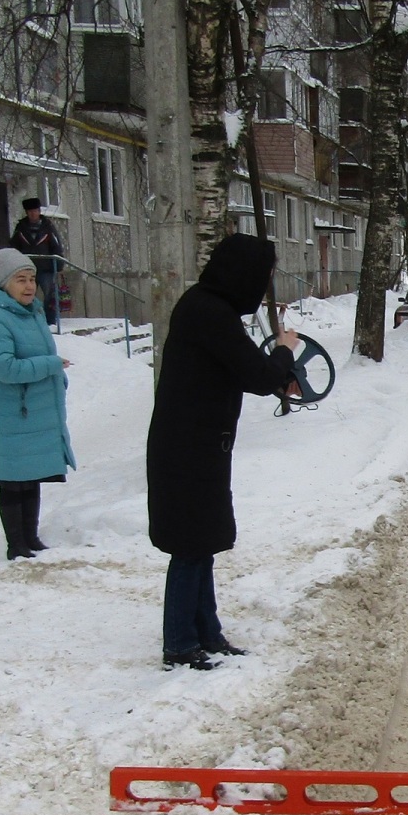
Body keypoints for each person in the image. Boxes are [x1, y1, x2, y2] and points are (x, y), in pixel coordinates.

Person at [146, 234, 299, 671]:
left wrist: (275, 372)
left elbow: (240, 370)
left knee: (202, 542)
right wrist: (285, 352)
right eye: (264, 276)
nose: (264, 285)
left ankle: (206, 633)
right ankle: (179, 644)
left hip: (199, 445)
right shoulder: (209, 312)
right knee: (190, 546)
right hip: (187, 449)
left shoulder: (210, 307)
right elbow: (254, 372)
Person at [0, 246, 75, 561]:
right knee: (13, 479)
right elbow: (4, 368)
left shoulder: (31, 311)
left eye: (32, 278)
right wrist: (51, 365)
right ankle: (15, 544)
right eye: (21, 279)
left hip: (32, 408)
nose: (30, 286)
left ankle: (30, 538)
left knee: (31, 474)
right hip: (12, 411)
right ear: (4, 282)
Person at [9, 197, 64, 327]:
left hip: (45, 269)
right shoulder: (21, 228)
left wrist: (59, 264)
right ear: (27, 213)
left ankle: (50, 321)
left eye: (35, 211)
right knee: (25, 294)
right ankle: (26, 319)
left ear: (39, 211)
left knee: (49, 295)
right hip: (27, 269)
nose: (33, 214)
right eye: (30, 211)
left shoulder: (48, 227)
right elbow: (13, 247)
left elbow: (56, 246)